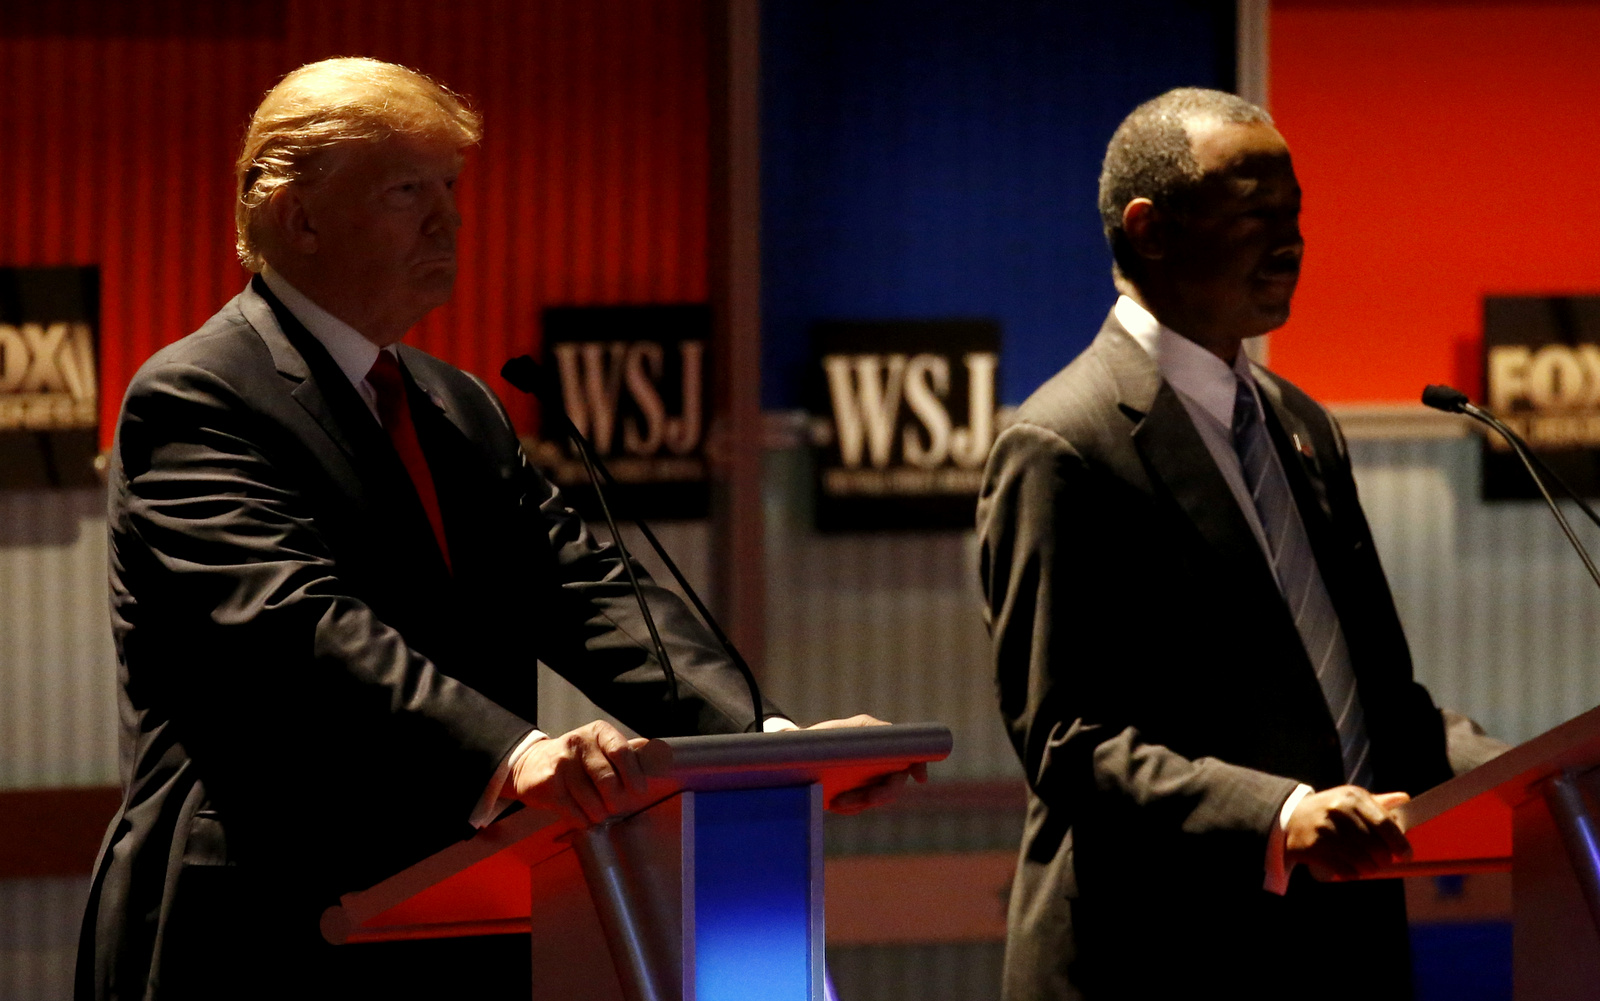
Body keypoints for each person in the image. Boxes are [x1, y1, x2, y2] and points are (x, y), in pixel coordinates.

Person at [76, 57, 915, 1001]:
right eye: (406, 191)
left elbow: (583, 588)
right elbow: (296, 625)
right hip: (258, 926)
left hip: (449, 912)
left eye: (451, 187)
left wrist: (763, 743)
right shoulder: (199, 394)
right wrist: (516, 757)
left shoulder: (456, 404)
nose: (450, 219)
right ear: (294, 216)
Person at [977, 87, 1505, 1001]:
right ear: (1151, 229)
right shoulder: (1064, 442)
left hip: (1340, 945)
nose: (1290, 241)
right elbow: (1068, 740)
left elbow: (1383, 706)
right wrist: (1283, 811)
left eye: (1295, 213)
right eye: (1254, 211)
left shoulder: (1302, 425)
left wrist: (1540, 777)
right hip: (1159, 957)